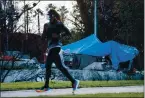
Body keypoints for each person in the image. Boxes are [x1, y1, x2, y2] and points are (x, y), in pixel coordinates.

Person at [37, 9, 79, 92]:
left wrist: (59, 36)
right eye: (48, 16)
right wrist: (43, 38)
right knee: (60, 67)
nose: (49, 18)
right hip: (50, 47)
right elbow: (43, 37)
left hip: (56, 46)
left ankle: (46, 86)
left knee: (48, 65)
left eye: (50, 16)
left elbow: (68, 33)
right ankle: (74, 81)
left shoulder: (59, 24)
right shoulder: (46, 25)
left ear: (54, 16)